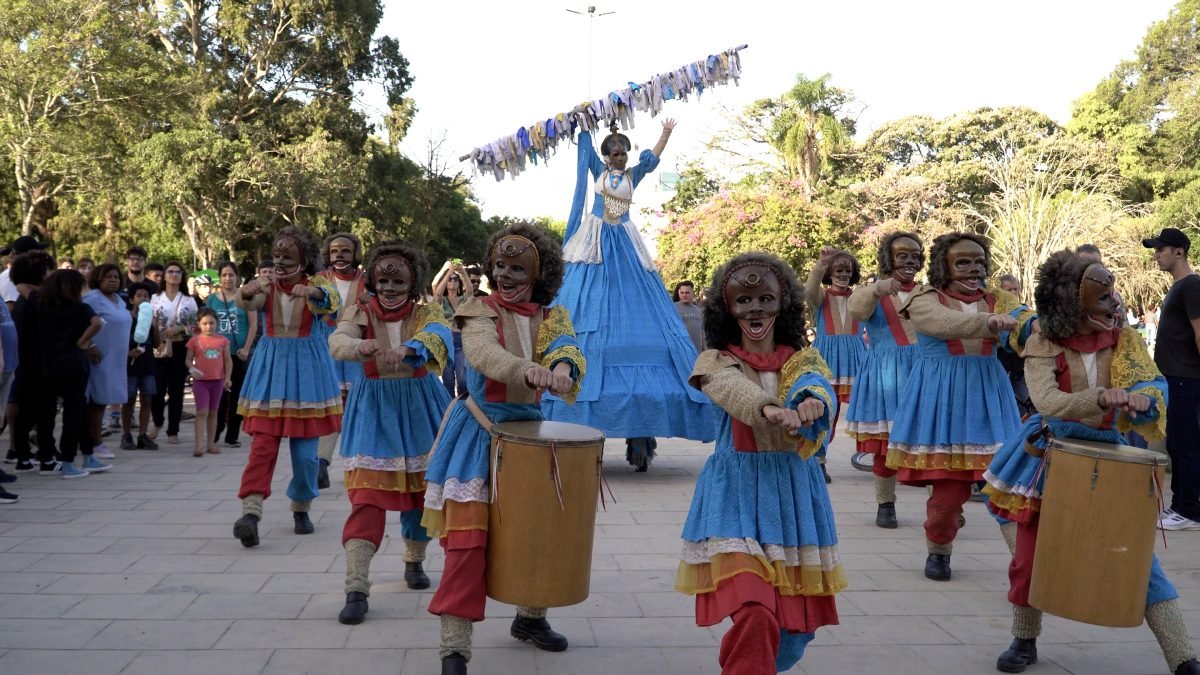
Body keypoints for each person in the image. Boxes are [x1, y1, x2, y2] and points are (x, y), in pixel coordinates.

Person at [983, 250, 1200, 675]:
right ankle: (1024, 640)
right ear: (1068, 301)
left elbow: (1150, 381)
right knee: (1029, 558)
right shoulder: (1042, 340)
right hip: (1044, 458)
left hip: (1110, 456)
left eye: (1111, 294)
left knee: (1140, 560)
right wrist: (1097, 398)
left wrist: (1144, 401)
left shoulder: (1124, 339)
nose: (1113, 304)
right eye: (1102, 297)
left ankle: (1182, 656)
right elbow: (1047, 401)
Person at [422, 225, 585, 675]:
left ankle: (531, 620)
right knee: (468, 545)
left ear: (539, 272)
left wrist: (564, 368)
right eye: (500, 265)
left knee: (536, 533)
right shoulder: (476, 310)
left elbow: (566, 347)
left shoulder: (553, 315)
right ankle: (454, 648)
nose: (506, 274)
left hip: (530, 438)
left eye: (517, 267)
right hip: (477, 435)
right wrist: (529, 370)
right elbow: (482, 355)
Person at [676, 252, 843, 675]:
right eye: (743, 301)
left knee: (794, 630)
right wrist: (770, 410)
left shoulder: (802, 358)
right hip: (733, 497)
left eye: (764, 299)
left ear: (782, 303)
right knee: (753, 610)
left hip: (794, 499)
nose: (754, 309)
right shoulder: (714, 361)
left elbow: (816, 384)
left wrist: (811, 403)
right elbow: (731, 390)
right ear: (727, 308)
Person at [543, 118, 713, 472]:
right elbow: (585, 149)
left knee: (641, 309)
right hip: (594, 241)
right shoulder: (597, 170)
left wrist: (665, 133)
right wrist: (586, 124)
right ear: (606, 157)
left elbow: (652, 159)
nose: (620, 158)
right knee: (584, 305)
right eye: (615, 153)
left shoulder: (633, 174)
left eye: (624, 153)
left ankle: (641, 434)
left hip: (626, 241)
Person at [885, 232, 1035, 581]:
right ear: (944, 266)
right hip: (943, 402)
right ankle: (938, 549)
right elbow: (940, 323)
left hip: (989, 397)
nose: (973, 269)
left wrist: (1040, 325)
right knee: (949, 494)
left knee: (1007, 488)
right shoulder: (925, 298)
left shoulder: (997, 297)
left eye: (979, 262)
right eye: (963, 262)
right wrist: (988, 322)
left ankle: (1028, 570)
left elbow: (1024, 320)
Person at [328, 241, 453, 624]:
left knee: (421, 494)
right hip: (373, 410)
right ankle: (356, 586)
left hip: (420, 405)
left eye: (398, 280)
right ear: (373, 280)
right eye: (383, 279)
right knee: (366, 498)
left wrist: (411, 348)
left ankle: (414, 561)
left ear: (412, 278)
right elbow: (337, 341)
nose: (389, 287)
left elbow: (438, 336)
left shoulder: (426, 310)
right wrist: (359, 345)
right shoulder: (359, 310)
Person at [233, 226, 342, 547]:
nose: (279, 262)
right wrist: (249, 289)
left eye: (287, 256)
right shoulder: (267, 286)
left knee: (306, 454)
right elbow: (246, 302)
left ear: (304, 260)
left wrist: (311, 293)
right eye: (276, 255)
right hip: (271, 371)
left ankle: (301, 507)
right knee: (262, 446)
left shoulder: (317, 284)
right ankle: (250, 513)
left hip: (307, 373)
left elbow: (331, 301)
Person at [845, 231, 925, 528]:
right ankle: (885, 504)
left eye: (915, 256)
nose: (909, 261)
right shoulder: (872, 292)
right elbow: (856, 309)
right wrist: (879, 288)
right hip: (885, 372)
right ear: (888, 259)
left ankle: (943, 507)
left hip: (925, 372)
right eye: (902, 255)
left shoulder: (928, 292)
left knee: (931, 440)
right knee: (884, 445)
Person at [1144, 227, 1200, 530]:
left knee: (1184, 444)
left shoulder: (1191, 286)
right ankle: (1187, 506)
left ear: (1179, 251)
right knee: (1181, 444)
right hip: (1176, 378)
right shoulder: (1180, 287)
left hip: (1185, 379)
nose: (1157, 255)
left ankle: (1188, 510)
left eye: (1161, 250)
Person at [805, 247, 868, 483]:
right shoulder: (822, 297)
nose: (843, 274)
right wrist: (820, 264)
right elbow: (809, 290)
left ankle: (876, 456)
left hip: (856, 355)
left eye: (847, 271)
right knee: (825, 411)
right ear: (830, 273)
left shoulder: (859, 296)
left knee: (868, 406)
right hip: (827, 356)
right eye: (838, 270)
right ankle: (819, 461)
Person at [37, 270, 108, 477]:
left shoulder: (42, 306)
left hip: (49, 365)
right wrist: (82, 341)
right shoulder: (80, 308)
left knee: (49, 414)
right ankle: (69, 461)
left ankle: (52, 458)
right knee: (74, 413)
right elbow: (97, 323)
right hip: (74, 365)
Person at [312, 233, 367, 490]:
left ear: (355, 253)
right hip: (327, 350)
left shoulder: (368, 281)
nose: (339, 256)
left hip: (357, 352)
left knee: (356, 409)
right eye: (334, 252)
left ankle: (356, 466)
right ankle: (321, 462)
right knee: (331, 409)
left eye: (345, 251)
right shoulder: (320, 280)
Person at [9, 251, 56, 474]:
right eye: (47, 269)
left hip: (29, 364)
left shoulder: (27, 297)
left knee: (28, 411)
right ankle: (45, 457)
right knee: (43, 412)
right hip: (38, 364)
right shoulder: (34, 300)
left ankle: (24, 457)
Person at [83, 264, 132, 461]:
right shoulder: (92, 298)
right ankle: (94, 441)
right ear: (97, 279)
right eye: (107, 277)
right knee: (97, 400)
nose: (113, 280)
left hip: (117, 359)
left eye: (116, 277)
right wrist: (90, 345)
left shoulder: (119, 299)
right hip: (99, 357)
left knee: (104, 400)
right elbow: (81, 323)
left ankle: (92, 438)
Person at [208, 261, 256, 449]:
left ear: (237, 277)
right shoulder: (212, 300)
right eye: (224, 275)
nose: (228, 278)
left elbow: (253, 325)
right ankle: (216, 429)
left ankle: (232, 434)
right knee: (218, 393)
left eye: (231, 275)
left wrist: (246, 348)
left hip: (239, 353)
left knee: (237, 394)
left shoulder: (246, 296)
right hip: (217, 353)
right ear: (220, 278)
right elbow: (204, 324)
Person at [150, 261, 198, 444]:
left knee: (177, 389)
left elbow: (195, 326)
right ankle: (157, 422)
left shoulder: (189, 300)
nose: (174, 275)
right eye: (170, 271)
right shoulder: (155, 298)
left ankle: (173, 430)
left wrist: (180, 328)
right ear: (164, 275)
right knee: (157, 389)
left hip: (179, 347)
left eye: (178, 272)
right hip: (159, 346)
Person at [186, 308, 232, 457]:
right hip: (201, 382)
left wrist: (228, 378)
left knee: (213, 412)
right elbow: (187, 359)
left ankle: (211, 443)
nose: (208, 326)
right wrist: (192, 368)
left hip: (218, 381)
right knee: (201, 412)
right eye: (205, 323)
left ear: (217, 323)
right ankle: (198, 445)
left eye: (211, 323)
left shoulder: (222, 340)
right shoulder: (194, 340)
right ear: (199, 324)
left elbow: (227, 360)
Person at [120, 282, 160, 450]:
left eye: (146, 296)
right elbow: (118, 342)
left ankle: (142, 435)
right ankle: (126, 434)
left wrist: (155, 326)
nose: (143, 299)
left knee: (147, 399)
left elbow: (157, 344)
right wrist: (128, 353)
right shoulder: (126, 318)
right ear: (131, 299)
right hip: (130, 364)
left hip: (148, 364)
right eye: (139, 296)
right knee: (128, 400)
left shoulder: (149, 319)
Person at [432, 260, 471, 398]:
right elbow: (436, 293)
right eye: (450, 279)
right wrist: (448, 271)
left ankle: (461, 407)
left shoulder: (462, 299)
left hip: (461, 341)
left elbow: (470, 291)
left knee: (463, 381)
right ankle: (448, 412)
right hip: (447, 341)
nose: (453, 281)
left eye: (455, 279)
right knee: (448, 381)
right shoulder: (442, 299)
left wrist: (462, 272)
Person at [996, 274, 1034, 417]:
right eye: (1008, 290)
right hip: (1000, 365)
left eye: (1015, 289)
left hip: (1020, 367)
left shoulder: (1025, 311)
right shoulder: (993, 312)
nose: (1013, 293)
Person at [0, 236, 50, 309]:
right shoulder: (11, 278)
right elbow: (11, 310)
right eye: (36, 254)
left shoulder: (18, 275)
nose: (40, 257)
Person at [673, 280, 705, 353]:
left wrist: (705, 349)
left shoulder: (699, 310)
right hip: (681, 350)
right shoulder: (673, 308)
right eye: (682, 293)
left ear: (692, 293)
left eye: (687, 293)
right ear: (679, 293)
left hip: (698, 352)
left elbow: (703, 331)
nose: (684, 295)